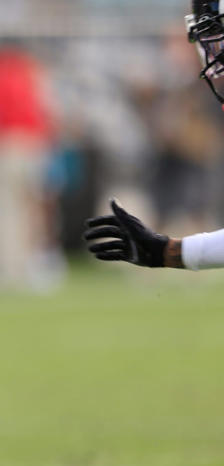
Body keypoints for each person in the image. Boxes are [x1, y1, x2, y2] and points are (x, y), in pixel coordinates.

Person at [83, 1, 224, 270]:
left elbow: (205, 140)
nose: (212, 48)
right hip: (167, 164)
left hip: (190, 167)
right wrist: (167, 252)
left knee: (192, 210)